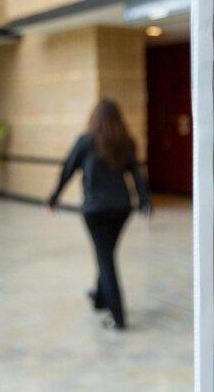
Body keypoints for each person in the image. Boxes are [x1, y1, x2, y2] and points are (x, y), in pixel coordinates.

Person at [48, 99, 150, 331]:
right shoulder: (125, 143)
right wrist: (145, 202)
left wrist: (53, 198)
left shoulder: (86, 142)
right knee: (106, 252)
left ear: (94, 118)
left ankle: (118, 316)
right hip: (121, 209)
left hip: (95, 210)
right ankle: (100, 297)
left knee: (105, 258)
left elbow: (68, 169)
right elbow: (137, 174)